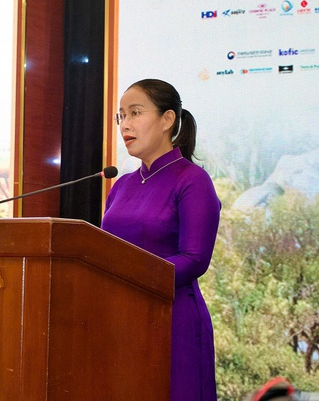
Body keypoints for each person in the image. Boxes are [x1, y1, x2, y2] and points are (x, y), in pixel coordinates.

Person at [101, 78, 221, 401]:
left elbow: (195, 258)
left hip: (172, 322)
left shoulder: (192, 180)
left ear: (167, 119)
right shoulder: (121, 185)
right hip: (119, 321)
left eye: (135, 113)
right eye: (121, 116)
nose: (125, 124)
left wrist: (133, 276)